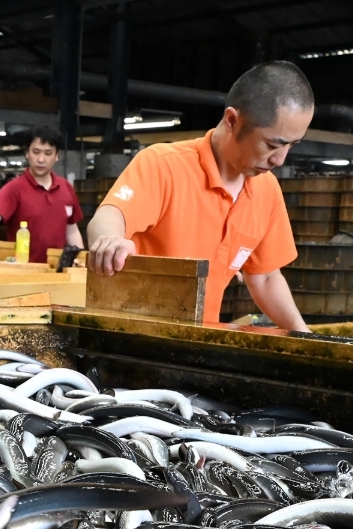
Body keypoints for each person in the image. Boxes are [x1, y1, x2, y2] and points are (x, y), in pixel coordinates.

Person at [85, 62, 314, 332]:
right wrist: (110, 241)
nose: (280, 159)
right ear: (232, 121)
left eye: (291, 145)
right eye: (272, 144)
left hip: (197, 343)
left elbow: (263, 278)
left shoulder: (267, 190)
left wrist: (304, 337)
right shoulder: (164, 165)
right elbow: (110, 216)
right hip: (132, 336)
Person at [0, 125, 85, 263]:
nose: (41, 159)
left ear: (57, 156)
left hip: (57, 273)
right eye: (36, 152)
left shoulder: (66, 188)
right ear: (27, 153)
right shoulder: (14, 188)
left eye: (48, 153)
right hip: (23, 273)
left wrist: (82, 260)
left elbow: (71, 230)